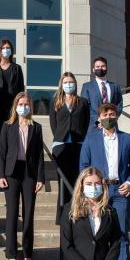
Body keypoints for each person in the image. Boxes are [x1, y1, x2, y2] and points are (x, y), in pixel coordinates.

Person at [79, 103, 130, 260]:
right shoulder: (91, 139)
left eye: (112, 114)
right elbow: (83, 165)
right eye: (105, 114)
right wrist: (90, 187)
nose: (109, 117)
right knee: (97, 231)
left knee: (120, 231)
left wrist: (129, 183)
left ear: (117, 116)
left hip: (120, 191)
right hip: (99, 191)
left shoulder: (128, 139)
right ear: (99, 117)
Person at [0, 92, 45, 260]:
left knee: (29, 213)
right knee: (11, 214)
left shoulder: (36, 127)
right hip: (11, 172)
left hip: (29, 173)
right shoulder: (7, 126)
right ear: (15, 106)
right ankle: (11, 254)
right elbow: (1, 153)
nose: (24, 107)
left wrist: (41, 177)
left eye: (27, 104)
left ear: (30, 107)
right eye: (21, 104)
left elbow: (39, 154)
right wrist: (1, 175)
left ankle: (27, 253)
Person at [49, 72, 90, 224]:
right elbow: (54, 124)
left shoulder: (83, 102)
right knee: (63, 182)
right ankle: (62, 217)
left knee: (76, 180)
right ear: (61, 84)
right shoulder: (55, 101)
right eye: (65, 82)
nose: (68, 85)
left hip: (78, 145)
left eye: (71, 82)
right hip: (61, 146)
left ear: (75, 84)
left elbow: (85, 123)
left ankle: (77, 212)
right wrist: (60, 137)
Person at [80, 56, 123, 130]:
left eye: (103, 66)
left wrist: (112, 118)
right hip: (95, 126)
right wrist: (98, 120)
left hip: (112, 126)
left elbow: (119, 104)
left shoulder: (115, 87)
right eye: (97, 66)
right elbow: (85, 106)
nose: (100, 68)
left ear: (106, 68)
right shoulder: (87, 86)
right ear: (93, 69)